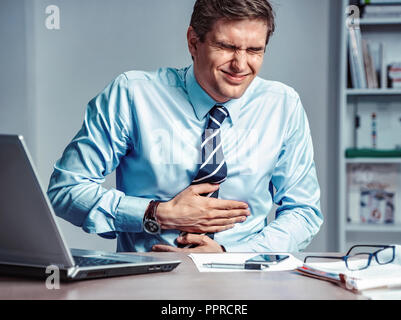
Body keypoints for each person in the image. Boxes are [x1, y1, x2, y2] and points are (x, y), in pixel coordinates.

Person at [47, 0, 323, 254]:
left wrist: (232, 255)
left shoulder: (282, 105)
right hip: (148, 280)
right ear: (193, 42)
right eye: (226, 47)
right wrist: (157, 214)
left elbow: (304, 211)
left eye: (254, 50)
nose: (240, 64)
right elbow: (66, 189)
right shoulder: (132, 96)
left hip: (245, 276)